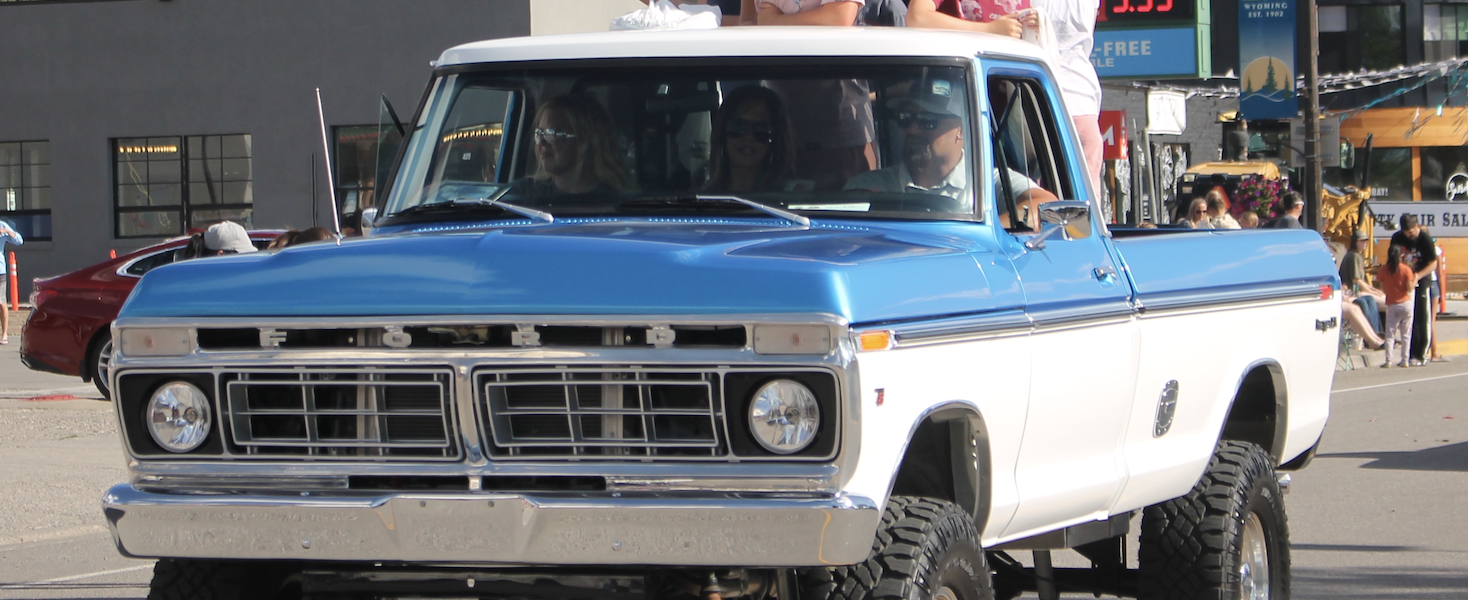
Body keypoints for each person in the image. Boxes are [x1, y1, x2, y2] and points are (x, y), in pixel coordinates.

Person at [511, 94, 635, 200]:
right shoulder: (523, 193)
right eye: (539, 133)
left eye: (553, 133)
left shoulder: (620, 201)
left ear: (585, 140)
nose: (541, 142)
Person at [705, 86, 796, 193]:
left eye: (761, 129)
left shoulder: (791, 196)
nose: (749, 137)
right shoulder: (701, 197)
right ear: (722, 133)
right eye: (738, 126)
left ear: (775, 139)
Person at [1391, 214, 1438, 365]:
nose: (1408, 236)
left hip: (1421, 280)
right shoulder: (1397, 238)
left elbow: (1433, 263)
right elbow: (1393, 259)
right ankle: (1408, 354)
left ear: (1416, 226)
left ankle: (1421, 354)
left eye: (1411, 232)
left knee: (1422, 317)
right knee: (1407, 319)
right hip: (1404, 281)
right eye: (1406, 233)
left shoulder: (1424, 239)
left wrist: (1418, 276)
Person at [1339, 229, 1385, 336]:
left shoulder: (1358, 256)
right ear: (1355, 242)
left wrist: (1374, 290)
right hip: (1353, 291)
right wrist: (1372, 292)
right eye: (1362, 241)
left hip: (1357, 290)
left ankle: (1378, 332)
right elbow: (1356, 280)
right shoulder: (1353, 256)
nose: (1365, 243)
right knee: (1386, 303)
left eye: (1366, 241)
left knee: (1378, 299)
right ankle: (1376, 332)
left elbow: (1362, 281)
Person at [1378, 244, 1416, 368]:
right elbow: (1409, 289)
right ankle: (1405, 360)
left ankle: (1388, 360)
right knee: (1406, 334)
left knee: (1390, 334)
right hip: (1405, 303)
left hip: (1392, 303)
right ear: (1401, 255)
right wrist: (1415, 280)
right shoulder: (1406, 270)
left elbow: (1383, 289)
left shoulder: (1384, 270)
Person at [904, 0, 1032, 37]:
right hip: (958, 82)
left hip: (1012, 84)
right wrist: (989, 29)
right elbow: (916, 17)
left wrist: (1035, 27)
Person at [741, 0, 864, 25]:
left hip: (836, 76)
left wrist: (775, 21)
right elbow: (748, 22)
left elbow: (840, 17)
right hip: (773, 77)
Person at [0, 219, 21, 345]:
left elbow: (19, 241)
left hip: (0, 270)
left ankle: (4, 334)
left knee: (1, 302)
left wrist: (7, 231)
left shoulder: (2, 225)